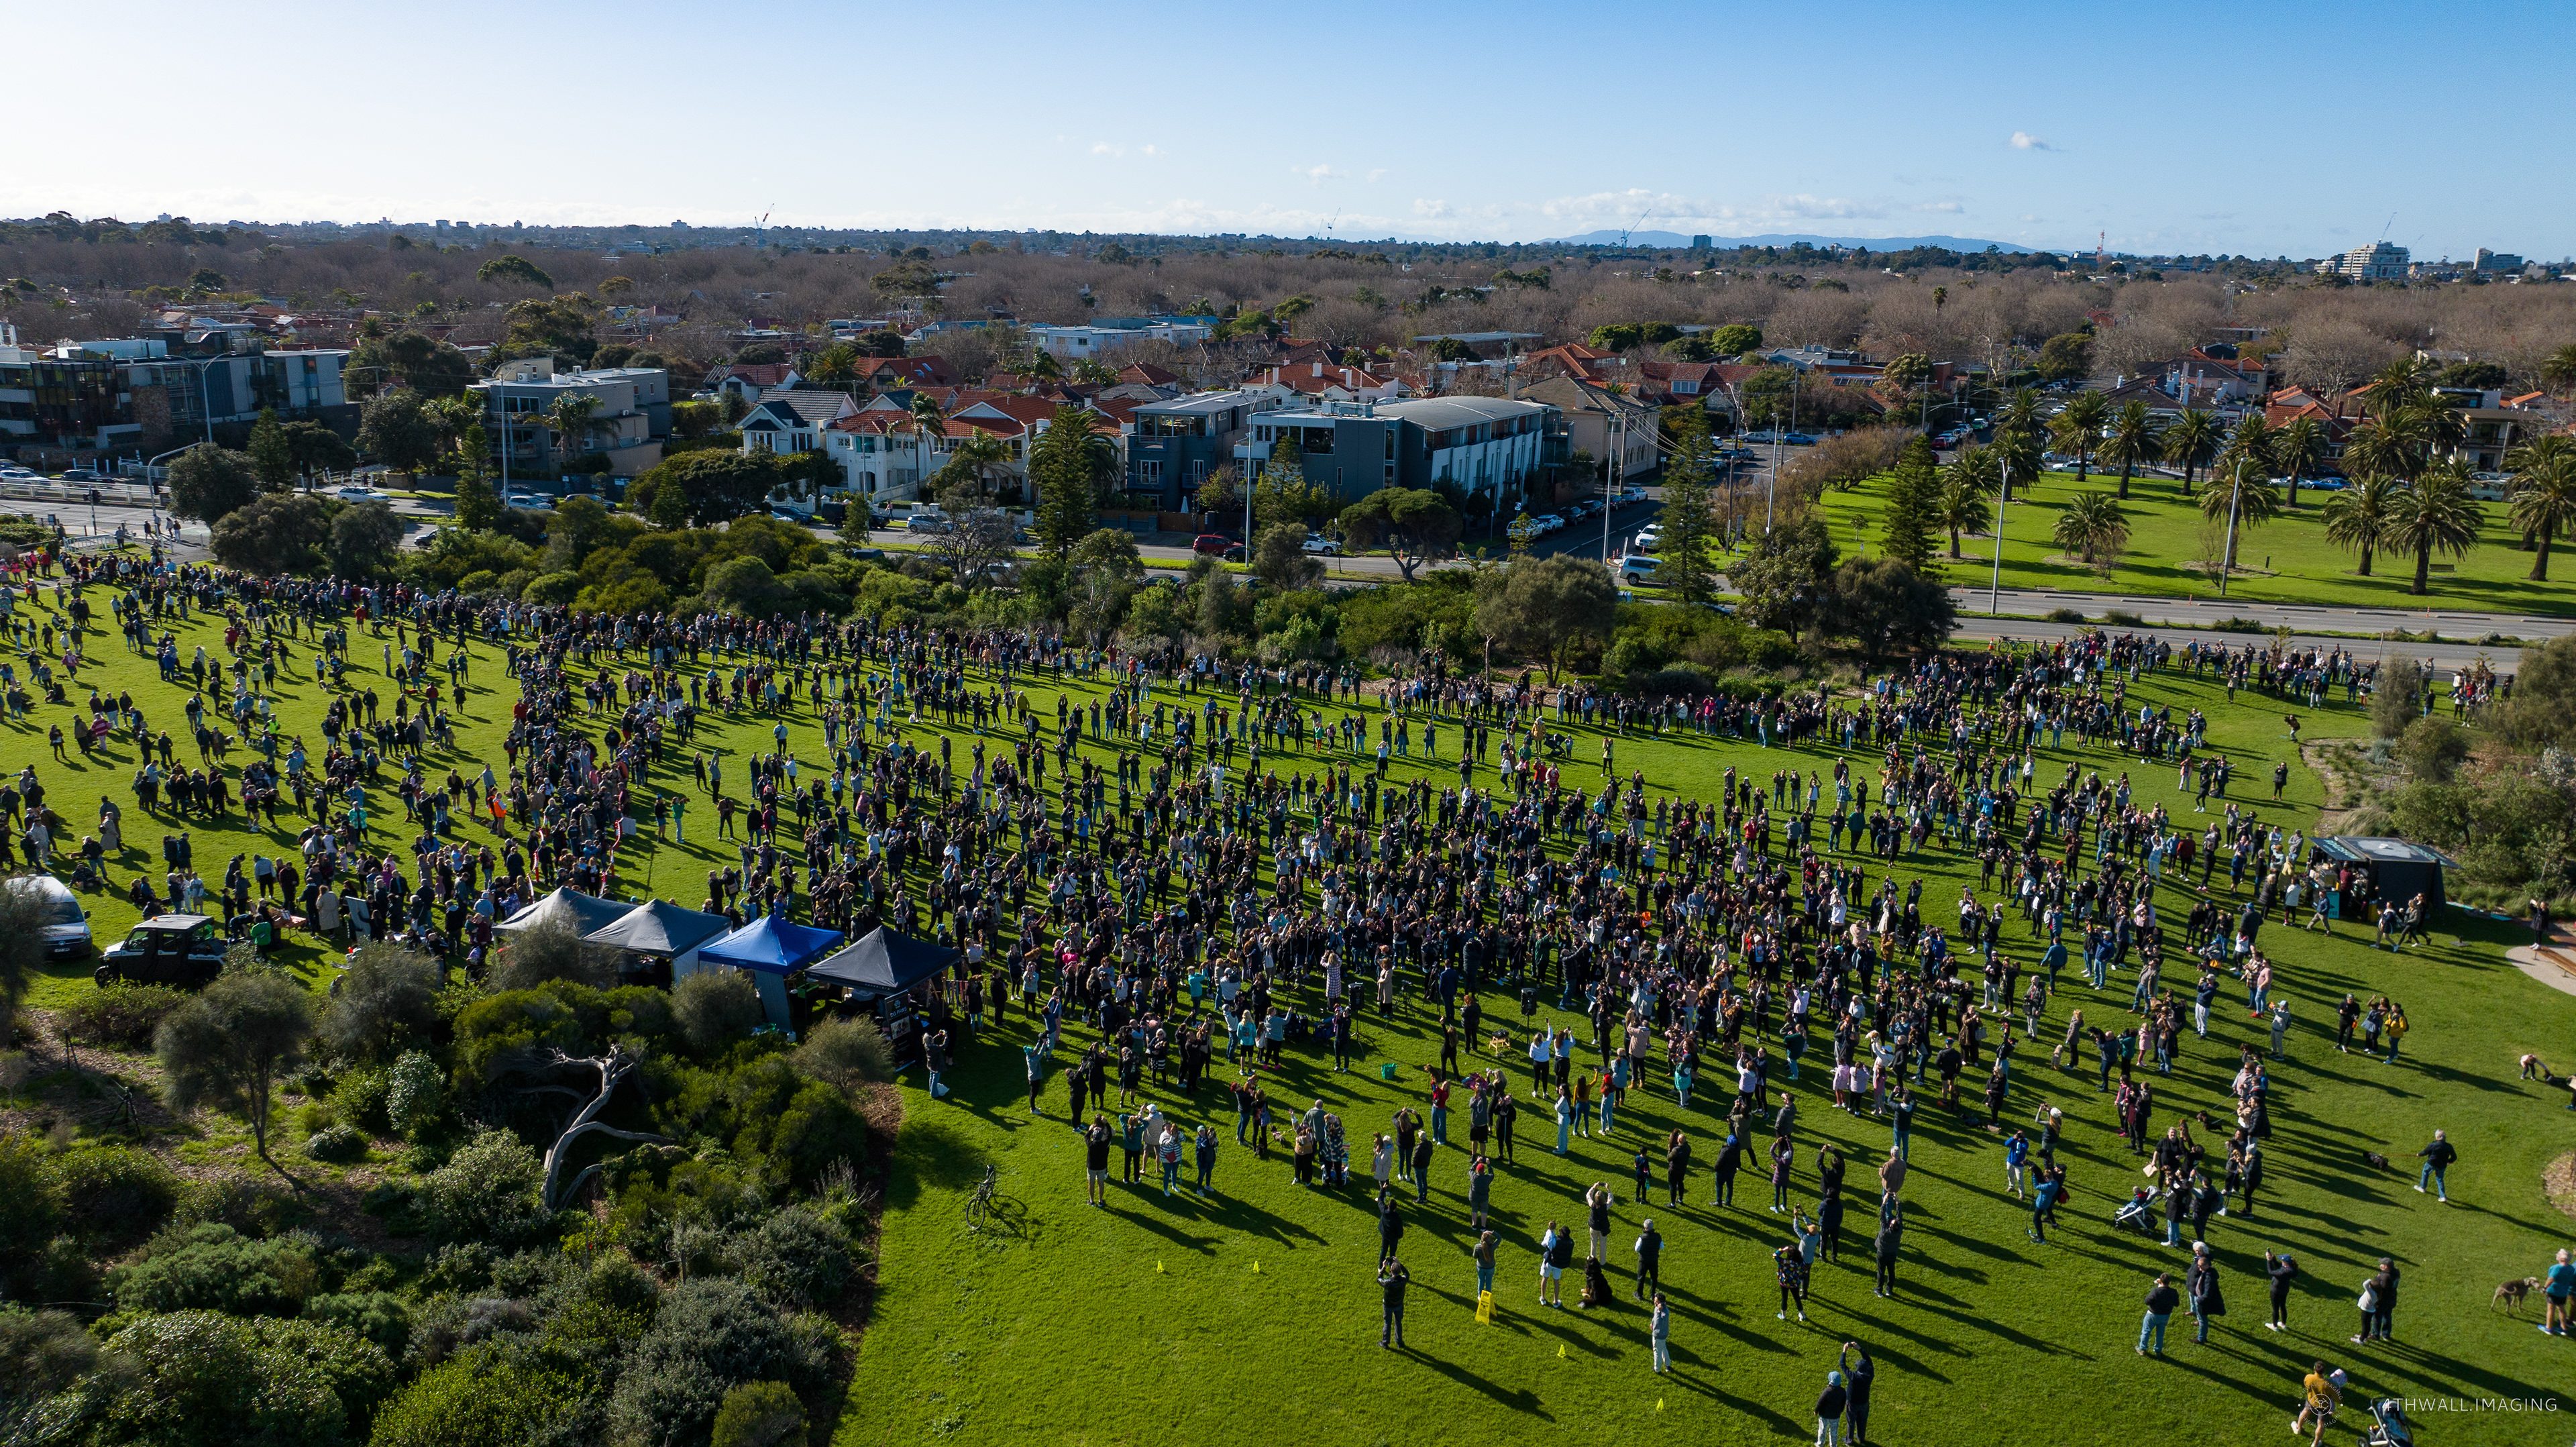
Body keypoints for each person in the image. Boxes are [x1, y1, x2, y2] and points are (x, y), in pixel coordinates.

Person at [2186, 1241, 2226, 1343]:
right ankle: (2201, 1336)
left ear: (2206, 1265)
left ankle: (2201, 1339)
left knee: (2203, 1320)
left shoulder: (2208, 1277)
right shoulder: (2205, 1271)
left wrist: (2199, 1300)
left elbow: (2208, 1293)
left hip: (2202, 1300)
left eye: (2200, 1267)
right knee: (2202, 1319)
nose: (2199, 1269)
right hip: (2200, 1297)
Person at [2293, 1360, 2341, 1446]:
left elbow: (2306, 1385)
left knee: (2305, 1412)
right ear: (2324, 1371)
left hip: (2311, 1401)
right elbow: (2337, 1399)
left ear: (2314, 1369)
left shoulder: (2309, 1377)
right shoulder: (2328, 1384)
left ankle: (2298, 1428)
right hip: (2324, 1407)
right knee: (2321, 1425)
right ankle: (2315, 1444)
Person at [1837, 1341, 1876, 1446]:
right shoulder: (1870, 1375)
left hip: (1852, 1403)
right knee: (1862, 1422)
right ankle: (1861, 1439)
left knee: (1851, 1422)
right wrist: (1860, 1349)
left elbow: (1842, 1365)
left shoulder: (1854, 1377)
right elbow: (1870, 1361)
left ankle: (1849, 1441)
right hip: (1864, 1403)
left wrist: (1844, 1351)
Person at [2139, 1272, 2180, 1356]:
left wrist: (2159, 1286)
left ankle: (2143, 1349)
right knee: (2160, 1334)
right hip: (2165, 1316)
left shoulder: (2156, 1291)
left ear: (2160, 1281)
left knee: (2146, 1331)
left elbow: (2147, 1301)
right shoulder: (2173, 1292)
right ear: (2169, 1282)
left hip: (2153, 1314)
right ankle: (2158, 1351)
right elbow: (2177, 1304)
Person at [2414, 1128, 2456, 1202]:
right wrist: (2449, 1161)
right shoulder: (2449, 1146)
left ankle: (2422, 1187)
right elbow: (2454, 1157)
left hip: (2432, 1163)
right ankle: (2443, 1197)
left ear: (2437, 1137)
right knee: (2440, 1179)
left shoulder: (2433, 1144)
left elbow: (2425, 1152)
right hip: (2442, 1165)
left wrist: (2419, 1155)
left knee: (2425, 1173)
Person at [1377, 1256, 1410, 1349]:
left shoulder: (1388, 1282)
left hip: (1388, 1305)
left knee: (1387, 1323)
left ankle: (1385, 1343)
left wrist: (1383, 1267)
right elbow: (1407, 1273)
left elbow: (1379, 1279)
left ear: (1391, 1271)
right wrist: (1400, 1264)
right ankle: (1399, 1342)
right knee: (1398, 1323)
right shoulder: (1403, 1280)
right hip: (1399, 1304)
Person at [1872, 1200, 1903, 1298]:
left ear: (1890, 1226)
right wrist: (1898, 1203)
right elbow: (1899, 1217)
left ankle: (1879, 1291)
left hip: (1882, 1253)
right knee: (1891, 1272)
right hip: (1892, 1254)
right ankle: (1889, 1290)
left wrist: (1884, 1202)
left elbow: (1882, 1216)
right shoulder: (1899, 1231)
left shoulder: (1885, 1231)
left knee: (1881, 1272)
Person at [2542, 1248, 2574, 1336]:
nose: (2557, 1255)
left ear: (2562, 1258)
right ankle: (2564, 1329)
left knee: (2551, 1309)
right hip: (2563, 1292)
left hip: (2553, 1291)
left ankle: (2549, 1328)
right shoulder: (2571, 1268)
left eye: (2558, 1254)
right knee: (2562, 1309)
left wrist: (2544, 1288)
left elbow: (2551, 1279)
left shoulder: (2557, 1268)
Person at [1538, 1219, 1570, 1307]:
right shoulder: (1567, 1242)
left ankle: (1543, 1298)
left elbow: (1545, 1245)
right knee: (1556, 1282)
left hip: (1549, 1262)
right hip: (1558, 1264)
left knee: (1545, 1278)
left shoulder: (1555, 1239)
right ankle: (1556, 1302)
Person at [1776, 1239, 1809, 1322]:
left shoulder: (1785, 1262)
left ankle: (1783, 1316)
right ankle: (1803, 1315)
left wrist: (1783, 1250)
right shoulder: (1801, 1263)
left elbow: (1775, 1256)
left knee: (1784, 1299)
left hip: (1784, 1283)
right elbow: (1805, 1272)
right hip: (1795, 1284)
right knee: (1797, 1299)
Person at [1083, 1114, 1112, 1207]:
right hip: (1102, 1167)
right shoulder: (1104, 1144)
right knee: (1101, 1184)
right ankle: (1100, 1201)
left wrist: (1091, 1129)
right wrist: (1106, 1123)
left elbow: (1086, 1137)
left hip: (1092, 1167)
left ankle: (1092, 1201)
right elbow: (1110, 1134)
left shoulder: (1090, 1145)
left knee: (1091, 1184)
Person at [1813, 1369, 1848, 1446]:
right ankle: (1833, 1445)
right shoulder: (1843, 1391)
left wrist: (1816, 1411)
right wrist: (1841, 1410)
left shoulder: (1827, 1391)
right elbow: (1843, 1402)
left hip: (1824, 1415)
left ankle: (1820, 1444)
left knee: (1822, 1430)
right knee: (1834, 1432)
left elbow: (1820, 1402)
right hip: (1835, 1415)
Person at [2263, 1250, 2297, 1330]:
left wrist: (2269, 1260)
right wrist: (2273, 1259)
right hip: (2284, 1291)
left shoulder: (2282, 1273)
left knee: (2275, 1309)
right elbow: (2280, 1267)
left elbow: (2270, 1272)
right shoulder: (2292, 1270)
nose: (2281, 1262)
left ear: (2286, 1263)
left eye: (2282, 1261)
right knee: (2283, 1306)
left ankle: (2274, 1326)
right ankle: (2283, 1324)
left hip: (2276, 1291)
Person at [1634, 1217, 1664, 1300]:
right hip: (1654, 1260)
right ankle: (1653, 1294)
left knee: (1641, 1277)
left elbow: (1637, 1249)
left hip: (1644, 1261)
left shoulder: (1642, 1238)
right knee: (1654, 1278)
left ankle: (1639, 1294)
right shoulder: (1658, 1237)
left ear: (1645, 1227)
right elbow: (1662, 1247)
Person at [1649, 1291, 1672, 1373]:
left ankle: (1657, 1369)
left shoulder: (1664, 1312)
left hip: (1659, 1335)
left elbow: (1659, 1322)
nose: (1654, 1302)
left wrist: (1659, 1312)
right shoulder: (1658, 1308)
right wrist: (1652, 1323)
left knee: (1657, 1352)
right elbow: (1655, 1317)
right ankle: (1668, 1366)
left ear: (1660, 1302)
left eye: (1656, 1301)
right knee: (1663, 1348)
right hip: (1663, 1334)